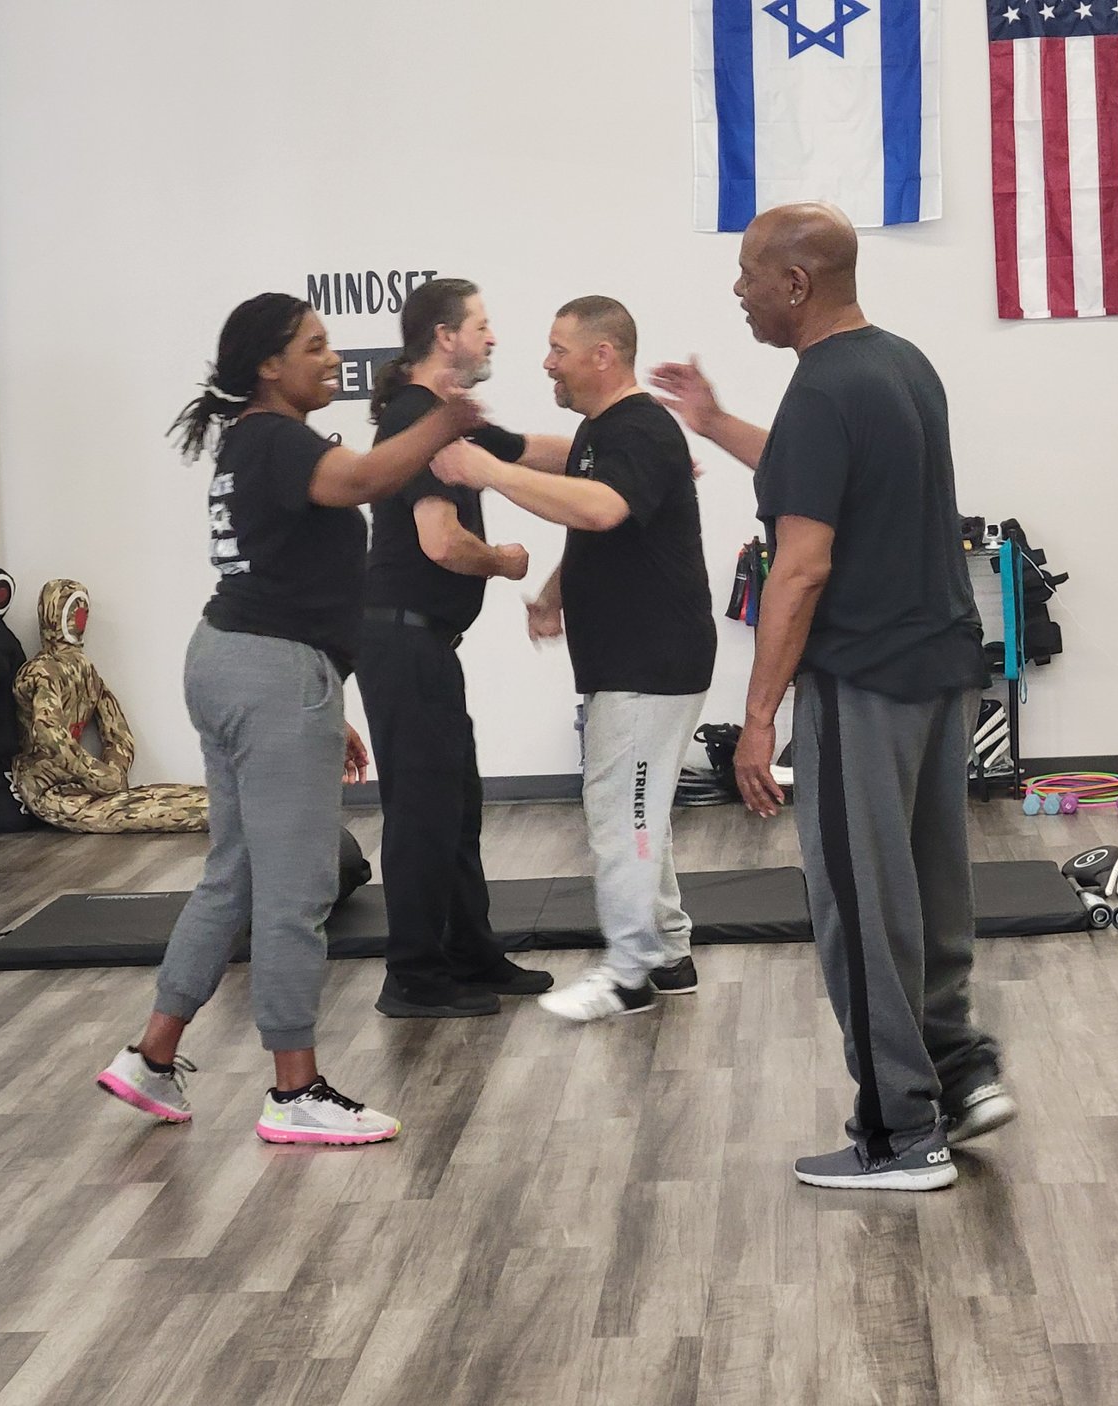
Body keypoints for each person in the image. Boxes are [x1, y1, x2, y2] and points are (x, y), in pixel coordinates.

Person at [647, 204, 1015, 1191]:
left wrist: (758, 717)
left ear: (795, 284)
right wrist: (713, 418)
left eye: (748, 273)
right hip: (943, 671)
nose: (738, 289)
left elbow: (799, 569)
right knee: (930, 890)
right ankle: (958, 1071)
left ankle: (900, 1133)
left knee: (859, 905)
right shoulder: (898, 364)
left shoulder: (821, 389)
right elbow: (817, 472)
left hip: (866, 682)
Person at [95, 291, 483, 1146]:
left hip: (241, 663)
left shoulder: (250, 443)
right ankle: (294, 1089)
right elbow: (368, 478)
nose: (329, 358)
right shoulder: (278, 439)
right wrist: (445, 418)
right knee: (296, 890)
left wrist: (318, 700)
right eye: (314, 346)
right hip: (269, 671)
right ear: (269, 364)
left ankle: (151, 1057)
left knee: (232, 874)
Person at [432, 296, 717, 1021]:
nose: (546, 361)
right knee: (640, 805)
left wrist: (483, 470)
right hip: (637, 659)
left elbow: (599, 509)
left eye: (558, 348)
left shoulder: (641, 428)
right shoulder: (606, 431)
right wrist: (556, 591)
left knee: (620, 813)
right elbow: (596, 520)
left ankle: (628, 973)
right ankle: (669, 949)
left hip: (648, 663)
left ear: (603, 355)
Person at [360, 279, 567, 1019]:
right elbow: (441, 543)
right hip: (400, 642)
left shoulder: (447, 421)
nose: (493, 338)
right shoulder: (418, 419)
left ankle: (469, 955)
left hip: (423, 645)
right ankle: (413, 978)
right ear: (444, 336)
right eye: (482, 325)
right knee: (423, 813)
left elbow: (537, 451)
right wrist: (506, 561)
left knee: (456, 806)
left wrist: (638, 446)